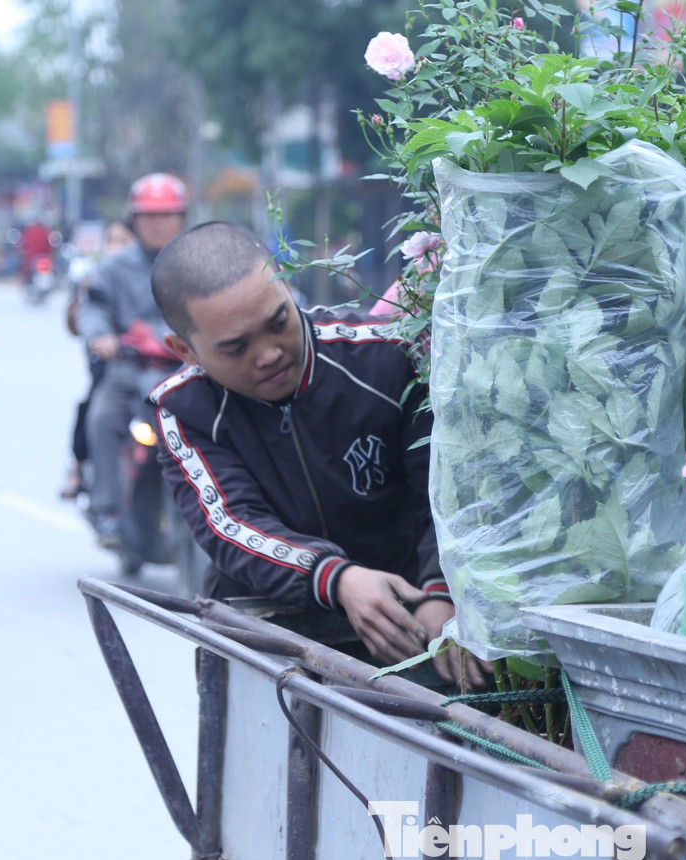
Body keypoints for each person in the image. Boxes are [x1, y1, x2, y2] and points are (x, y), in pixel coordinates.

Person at [149, 221, 486, 689]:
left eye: (278, 322)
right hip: (268, 637)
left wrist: (439, 592)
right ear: (185, 350)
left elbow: (446, 487)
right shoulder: (182, 409)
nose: (268, 354)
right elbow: (231, 526)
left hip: (414, 623)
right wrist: (337, 578)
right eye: (236, 347)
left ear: (289, 287)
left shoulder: (386, 357)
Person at [75, 173, 188, 547]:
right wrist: (101, 336)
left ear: (181, 218)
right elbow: (93, 308)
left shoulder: (197, 263)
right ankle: (106, 510)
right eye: (149, 216)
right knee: (103, 418)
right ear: (134, 220)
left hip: (186, 371)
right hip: (131, 369)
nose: (158, 223)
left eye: (167, 215)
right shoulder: (114, 267)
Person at [59, 220, 139, 500]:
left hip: (153, 365)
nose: (118, 248)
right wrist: (99, 334)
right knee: (94, 407)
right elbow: (78, 322)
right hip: (110, 365)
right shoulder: (96, 279)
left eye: (125, 240)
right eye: (113, 241)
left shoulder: (151, 274)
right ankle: (78, 468)